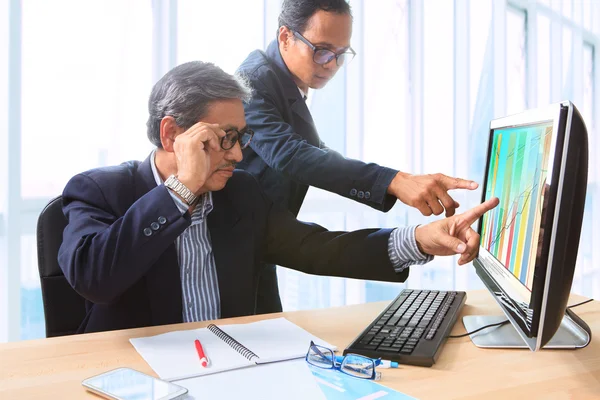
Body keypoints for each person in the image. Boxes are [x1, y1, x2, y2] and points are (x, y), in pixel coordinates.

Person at [58, 61, 498, 333]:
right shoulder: (99, 190)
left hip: (229, 372)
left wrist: (419, 238)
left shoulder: (240, 193)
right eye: (225, 138)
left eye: (242, 137)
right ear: (173, 134)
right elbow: (95, 278)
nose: (238, 153)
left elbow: (320, 248)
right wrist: (181, 190)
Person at [237, 0, 480, 312]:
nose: (331, 64)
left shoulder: (282, 81)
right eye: (321, 50)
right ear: (285, 37)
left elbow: (315, 151)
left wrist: (396, 182)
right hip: (235, 244)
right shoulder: (253, 82)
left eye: (341, 55)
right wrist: (393, 181)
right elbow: (290, 154)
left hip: (262, 237)